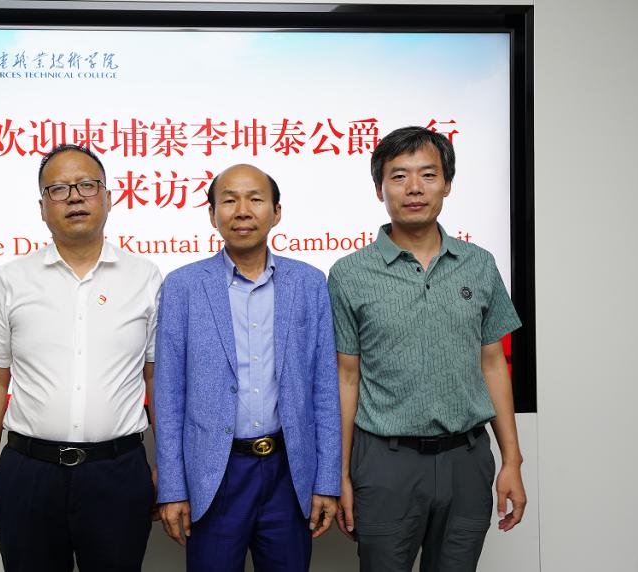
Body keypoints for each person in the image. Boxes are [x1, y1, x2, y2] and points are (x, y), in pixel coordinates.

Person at [328, 126, 526, 572]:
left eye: (428, 175)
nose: (414, 188)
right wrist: (340, 475)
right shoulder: (349, 274)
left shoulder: (479, 264)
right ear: (379, 189)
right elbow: (346, 377)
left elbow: (493, 365)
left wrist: (512, 460)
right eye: (399, 176)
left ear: (447, 184)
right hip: (385, 463)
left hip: (467, 460)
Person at [0, 144, 162, 572]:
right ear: (42, 208)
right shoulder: (11, 280)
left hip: (117, 472)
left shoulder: (145, 278)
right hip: (29, 473)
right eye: (58, 189)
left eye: (87, 185)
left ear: (108, 198)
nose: (74, 197)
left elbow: (156, 380)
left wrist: (164, 467)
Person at [154, 164, 341, 572]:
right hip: (215, 474)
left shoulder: (309, 283)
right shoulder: (183, 286)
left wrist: (326, 481)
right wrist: (172, 488)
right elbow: (168, 396)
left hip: (288, 471)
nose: (242, 210)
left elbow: (325, 389)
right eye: (229, 200)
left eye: (255, 199)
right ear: (212, 214)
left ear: (276, 212)